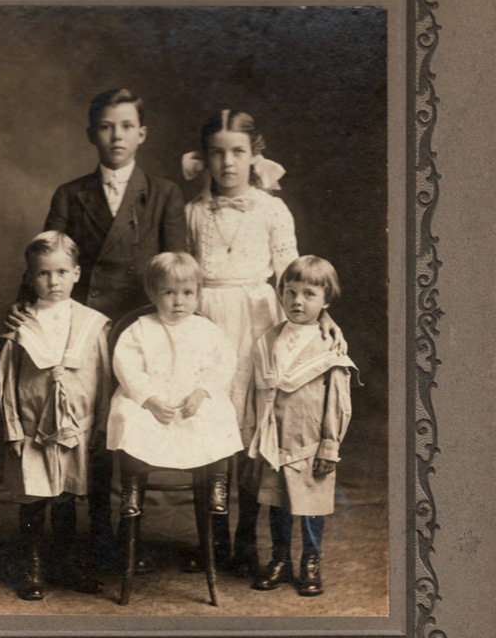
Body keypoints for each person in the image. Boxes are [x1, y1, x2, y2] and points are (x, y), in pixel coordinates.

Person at [9, 88, 187, 566]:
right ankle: (80, 544)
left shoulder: (165, 193)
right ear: (93, 133)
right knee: (81, 432)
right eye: (107, 126)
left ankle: (118, 542)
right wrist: (25, 303)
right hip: (82, 333)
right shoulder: (71, 193)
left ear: (142, 134)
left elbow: (179, 272)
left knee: (127, 432)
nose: (117, 135)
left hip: (138, 329)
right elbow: (46, 253)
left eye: (126, 126)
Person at [182, 109, 344, 576]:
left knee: (256, 434)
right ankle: (211, 540)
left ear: (255, 156)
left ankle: (247, 539)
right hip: (208, 322)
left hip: (259, 323)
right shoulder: (192, 212)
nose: (227, 163)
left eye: (238, 152)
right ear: (205, 157)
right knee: (210, 434)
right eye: (217, 153)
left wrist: (325, 315)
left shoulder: (273, 209)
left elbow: (296, 275)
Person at [107, 252, 243, 584]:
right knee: (128, 418)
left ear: (198, 294)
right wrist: (149, 399)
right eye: (169, 293)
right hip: (153, 402)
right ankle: (133, 490)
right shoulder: (139, 329)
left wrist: (202, 392)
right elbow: (126, 367)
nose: (178, 302)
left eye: (187, 293)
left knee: (220, 418)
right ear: (153, 293)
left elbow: (223, 365)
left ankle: (217, 485)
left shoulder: (207, 330)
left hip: (190, 402)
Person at [0, 231, 111, 600]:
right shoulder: (21, 324)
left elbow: (105, 379)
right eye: (44, 274)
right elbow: (7, 381)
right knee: (33, 497)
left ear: (77, 273)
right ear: (31, 278)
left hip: (75, 428)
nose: (53, 281)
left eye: (62, 272)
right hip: (32, 429)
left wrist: (101, 425)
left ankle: (65, 563)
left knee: (65, 497)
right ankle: (31, 567)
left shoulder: (94, 324)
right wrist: (14, 430)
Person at [242, 256, 360, 596]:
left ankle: (311, 561)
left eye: (309, 294)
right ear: (280, 294)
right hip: (273, 439)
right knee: (277, 503)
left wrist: (329, 445)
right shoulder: (268, 339)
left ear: (326, 301)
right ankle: (280, 559)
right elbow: (256, 390)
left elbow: (338, 401)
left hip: (309, 440)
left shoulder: (330, 344)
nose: (297, 301)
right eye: (290, 292)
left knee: (310, 506)